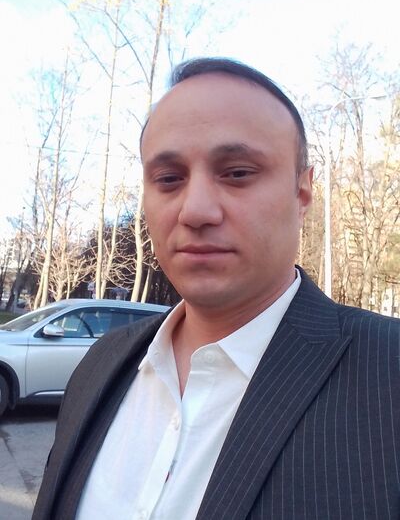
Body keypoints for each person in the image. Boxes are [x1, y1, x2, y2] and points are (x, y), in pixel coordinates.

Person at [33, 58, 400, 520]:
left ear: (302, 192)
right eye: (169, 179)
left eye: (238, 172)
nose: (196, 211)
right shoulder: (100, 365)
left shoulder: (388, 376)